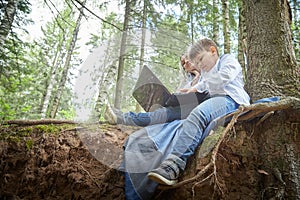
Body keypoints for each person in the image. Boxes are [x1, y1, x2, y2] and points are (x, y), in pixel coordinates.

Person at [121, 38, 250, 200]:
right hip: (211, 103)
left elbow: (225, 76)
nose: (199, 64)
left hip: (231, 100)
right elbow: (197, 92)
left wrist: (198, 87)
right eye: (196, 62)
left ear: (213, 51)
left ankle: (174, 165)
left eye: (201, 59)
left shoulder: (227, 60)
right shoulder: (203, 75)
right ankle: (129, 118)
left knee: (198, 114)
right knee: (180, 112)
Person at [105, 53, 210, 126]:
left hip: (200, 107)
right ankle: (121, 115)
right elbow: (179, 95)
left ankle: (122, 118)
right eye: (183, 63)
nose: (186, 62)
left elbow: (206, 91)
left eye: (188, 58)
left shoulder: (208, 70)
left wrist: (197, 76)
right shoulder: (187, 80)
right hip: (185, 107)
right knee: (162, 111)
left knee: (162, 113)